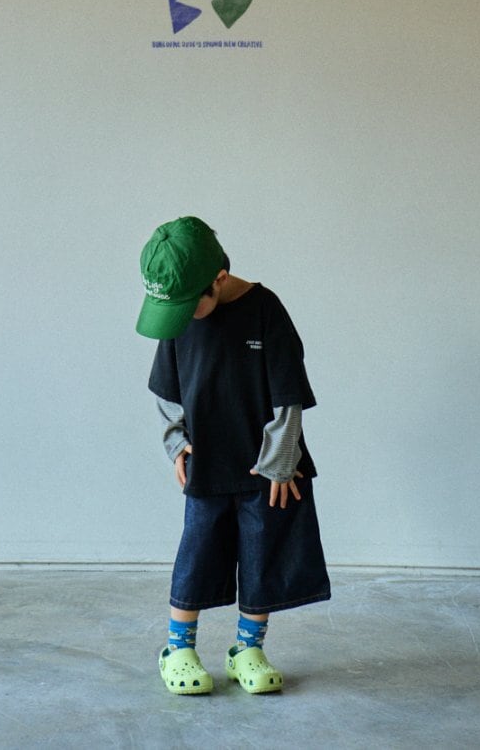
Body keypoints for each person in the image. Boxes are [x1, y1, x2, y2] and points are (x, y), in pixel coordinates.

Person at [136, 215, 330, 695]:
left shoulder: (266, 310)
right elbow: (167, 393)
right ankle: (177, 648)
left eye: (188, 307)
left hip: (266, 469)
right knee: (198, 552)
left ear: (218, 279)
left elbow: (288, 396)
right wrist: (176, 444)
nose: (181, 319)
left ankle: (247, 648)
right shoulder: (179, 314)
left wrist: (281, 461)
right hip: (207, 463)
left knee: (262, 553)